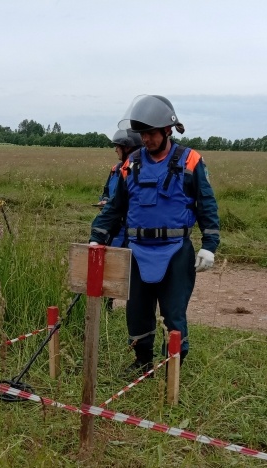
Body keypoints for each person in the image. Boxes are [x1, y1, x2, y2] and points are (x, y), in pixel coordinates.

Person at [89, 95, 220, 374]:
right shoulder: (131, 164)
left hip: (175, 250)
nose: (145, 139)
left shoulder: (191, 161)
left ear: (167, 130)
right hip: (137, 251)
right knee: (136, 312)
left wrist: (209, 245)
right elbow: (114, 208)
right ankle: (141, 362)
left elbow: (206, 205)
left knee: (173, 313)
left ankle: (172, 367)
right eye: (142, 133)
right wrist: (97, 237)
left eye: (150, 133)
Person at [94, 129, 143, 310]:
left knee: (132, 268)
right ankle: (107, 304)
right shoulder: (115, 170)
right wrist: (105, 201)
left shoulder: (140, 171)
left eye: (118, 146)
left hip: (131, 227)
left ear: (128, 148)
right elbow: (108, 192)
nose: (115, 150)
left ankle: (137, 306)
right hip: (113, 225)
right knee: (110, 264)